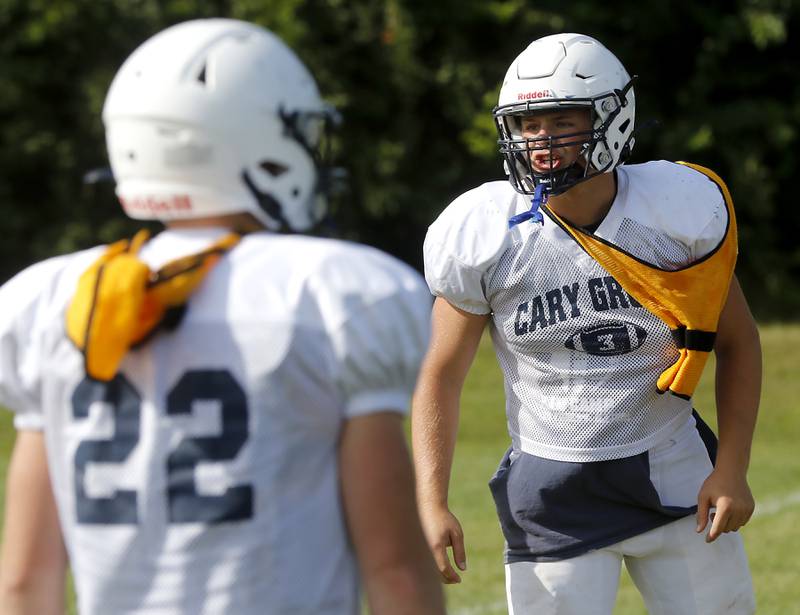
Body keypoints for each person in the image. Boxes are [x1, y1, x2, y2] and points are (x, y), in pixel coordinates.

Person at [0, 18, 445, 615]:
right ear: (255, 140)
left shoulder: (50, 301)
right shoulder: (334, 292)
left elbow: (23, 583)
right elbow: (393, 569)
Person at [412, 32, 760, 614]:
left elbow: (739, 342)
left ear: (613, 116)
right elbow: (440, 374)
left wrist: (733, 469)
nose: (542, 141)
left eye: (561, 119)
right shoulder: (487, 232)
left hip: (673, 469)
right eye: (528, 124)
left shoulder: (673, 213)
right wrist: (430, 499)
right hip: (554, 492)